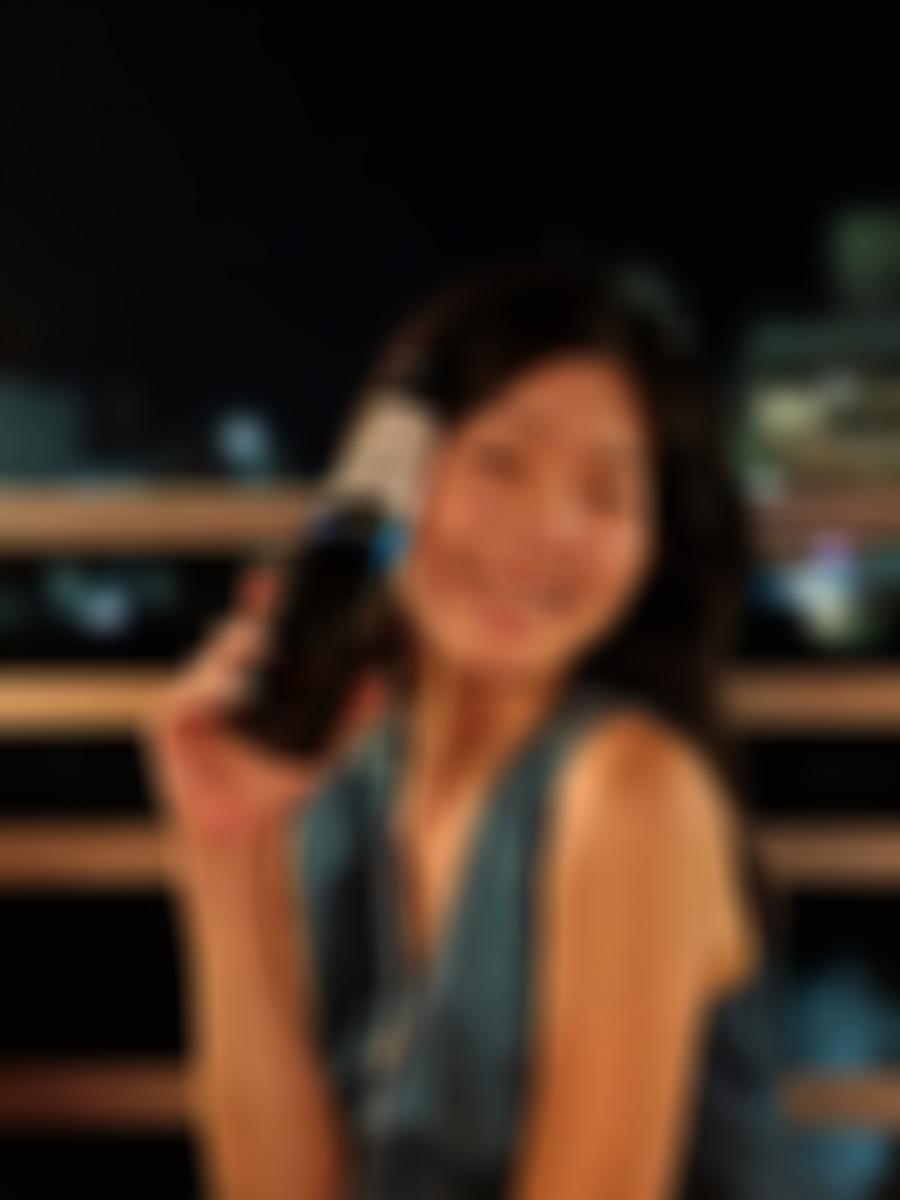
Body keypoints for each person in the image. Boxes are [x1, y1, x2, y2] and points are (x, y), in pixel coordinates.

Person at [147, 261, 792, 1199]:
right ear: (389, 476)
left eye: (606, 492)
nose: (548, 528)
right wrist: (224, 852)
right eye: (500, 462)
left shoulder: (630, 794)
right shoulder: (352, 771)